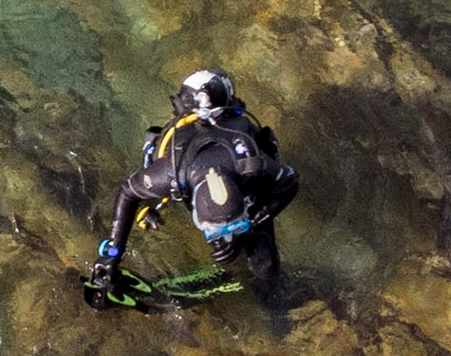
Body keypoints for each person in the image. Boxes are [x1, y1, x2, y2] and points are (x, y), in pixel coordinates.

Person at [86, 69, 299, 307]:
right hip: (191, 161)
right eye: (213, 233)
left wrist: (256, 219)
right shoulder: (169, 174)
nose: (226, 235)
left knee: (265, 264)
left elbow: (290, 182)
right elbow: (128, 191)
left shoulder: (250, 164)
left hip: (240, 179)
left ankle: (268, 286)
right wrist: (112, 253)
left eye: (235, 226)